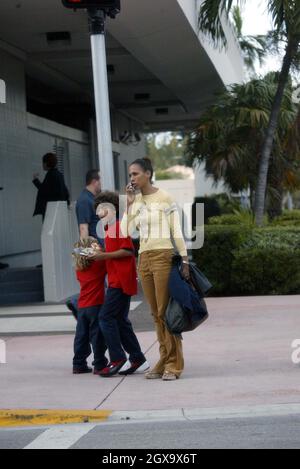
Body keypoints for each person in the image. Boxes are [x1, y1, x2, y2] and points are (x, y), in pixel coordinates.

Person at [121, 158, 190, 381]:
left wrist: (185, 259)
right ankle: (163, 359)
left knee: (165, 312)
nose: (132, 178)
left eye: (135, 174)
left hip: (163, 256)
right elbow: (125, 231)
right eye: (130, 175)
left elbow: (176, 231)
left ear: (148, 174)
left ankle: (174, 364)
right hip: (144, 258)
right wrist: (129, 204)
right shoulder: (136, 200)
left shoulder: (165, 197)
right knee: (155, 314)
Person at [90, 191, 149, 377]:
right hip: (120, 280)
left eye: (100, 210)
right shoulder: (111, 228)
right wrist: (101, 252)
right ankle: (137, 358)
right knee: (120, 321)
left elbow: (128, 251)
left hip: (120, 282)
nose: (97, 214)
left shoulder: (117, 226)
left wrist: (103, 255)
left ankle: (117, 358)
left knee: (105, 318)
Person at [66, 169, 103, 320]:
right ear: (95, 181)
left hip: (97, 247)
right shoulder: (84, 200)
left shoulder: (90, 199)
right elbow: (83, 228)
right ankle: (77, 303)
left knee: (97, 285)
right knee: (95, 285)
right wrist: (85, 254)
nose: (101, 184)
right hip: (93, 248)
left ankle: (81, 305)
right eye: (100, 181)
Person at [72, 237, 108, 375]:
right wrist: (100, 251)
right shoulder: (99, 265)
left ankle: (78, 363)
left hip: (82, 306)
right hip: (96, 304)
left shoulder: (79, 269)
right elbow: (107, 256)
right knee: (97, 336)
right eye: (95, 244)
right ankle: (99, 364)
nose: (98, 245)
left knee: (81, 336)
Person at [32, 153, 70, 220]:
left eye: (43, 163)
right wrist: (67, 203)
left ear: (46, 163)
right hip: (59, 209)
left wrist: (35, 180)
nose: (42, 165)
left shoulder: (50, 175)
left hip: (50, 210)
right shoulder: (59, 174)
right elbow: (65, 191)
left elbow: (43, 190)